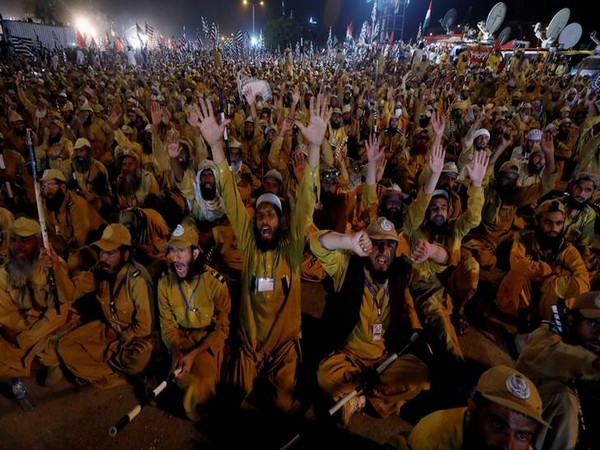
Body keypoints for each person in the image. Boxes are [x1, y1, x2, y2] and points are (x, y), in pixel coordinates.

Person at [191, 93, 328, 413]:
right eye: (261, 213)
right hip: (250, 347)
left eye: (272, 214)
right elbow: (230, 198)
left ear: (281, 222)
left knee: (280, 409)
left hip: (283, 349)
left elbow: (306, 203)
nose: (265, 218)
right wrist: (215, 147)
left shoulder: (292, 251)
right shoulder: (250, 246)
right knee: (228, 402)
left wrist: (316, 149)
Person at [310, 216, 427, 427]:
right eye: (377, 244)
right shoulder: (348, 266)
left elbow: (440, 264)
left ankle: (358, 401)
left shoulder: (401, 272)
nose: (383, 252)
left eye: (390, 245)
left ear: (395, 249)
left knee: (420, 375)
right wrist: (348, 241)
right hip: (348, 357)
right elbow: (317, 244)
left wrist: (432, 252)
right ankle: (382, 399)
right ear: (366, 246)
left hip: (384, 359)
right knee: (325, 376)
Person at [58, 223, 155, 389]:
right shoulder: (100, 269)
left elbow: (145, 328)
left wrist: (120, 336)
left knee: (139, 359)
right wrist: (55, 267)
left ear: (125, 254)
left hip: (133, 337)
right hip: (108, 328)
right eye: (102, 251)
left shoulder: (137, 280)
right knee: (65, 346)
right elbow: (70, 293)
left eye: (110, 253)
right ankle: (115, 373)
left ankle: (99, 368)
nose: (103, 258)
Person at [0, 218, 92, 385]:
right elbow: (6, 313)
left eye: (24, 240)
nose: (17, 246)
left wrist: (23, 339)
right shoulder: (6, 271)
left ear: (37, 242)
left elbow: (58, 310)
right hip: (24, 324)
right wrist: (15, 331)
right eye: (13, 240)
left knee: (48, 351)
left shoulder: (54, 267)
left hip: (48, 326)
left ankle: (47, 357)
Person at [157, 224, 231, 421]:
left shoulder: (217, 285)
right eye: (172, 250)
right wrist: (175, 352)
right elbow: (167, 325)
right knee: (180, 373)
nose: (175, 258)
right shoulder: (164, 283)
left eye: (181, 250)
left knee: (202, 394)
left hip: (205, 341)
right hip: (180, 338)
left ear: (195, 253)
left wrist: (193, 354)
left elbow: (222, 330)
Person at [516, 291, 600, 450]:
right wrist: (594, 366)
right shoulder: (548, 334)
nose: (599, 334)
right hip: (524, 423)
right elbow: (548, 355)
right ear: (571, 319)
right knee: (564, 402)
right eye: (593, 324)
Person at [404, 364, 547, 450]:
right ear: (472, 408)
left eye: (521, 435)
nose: (508, 445)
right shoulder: (431, 438)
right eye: (498, 424)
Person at [496, 199, 589, 330]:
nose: (554, 228)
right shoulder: (524, 239)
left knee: (558, 284)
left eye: (559, 223)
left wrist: (550, 281)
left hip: (547, 302)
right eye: (548, 222)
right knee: (518, 274)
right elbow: (516, 264)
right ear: (537, 221)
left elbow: (583, 283)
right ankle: (524, 324)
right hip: (517, 302)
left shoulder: (568, 250)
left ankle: (553, 323)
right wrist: (549, 268)